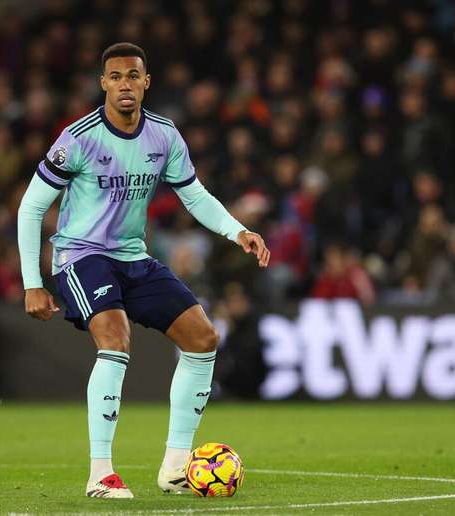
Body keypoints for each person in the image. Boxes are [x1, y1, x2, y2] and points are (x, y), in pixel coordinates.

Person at [16, 43, 269, 499]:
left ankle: (175, 466)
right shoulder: (79, 137)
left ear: (146, 82)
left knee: (203, 338)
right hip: (81, 255)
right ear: (104, 84)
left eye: (133, 76)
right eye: (115, 77)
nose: (125, 85)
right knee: (115, 339)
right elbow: (31, 208)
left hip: (133, 257)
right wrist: (33, 284)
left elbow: (193, 195)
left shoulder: (165, 135)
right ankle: (101, 475)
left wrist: (238, 231)